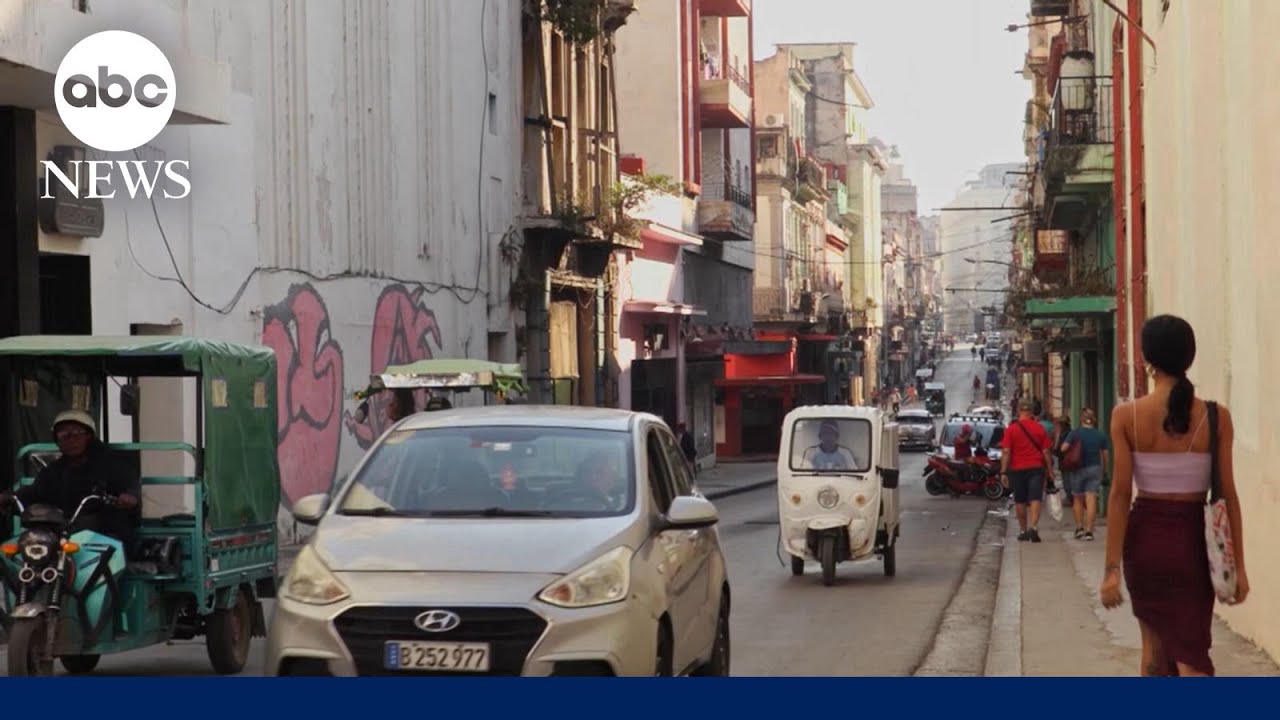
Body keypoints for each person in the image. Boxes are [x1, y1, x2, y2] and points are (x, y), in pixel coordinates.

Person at [1100, 315, 1249, 677]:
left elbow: (1119, 495)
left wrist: (1111, 570)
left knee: (1153, 653)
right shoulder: (1216, 417)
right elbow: (1228, 496)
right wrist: (1239, 568)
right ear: (1189, 357)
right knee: (1191, 653)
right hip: (1191, 543)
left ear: (1147, 359)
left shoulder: (1126, 416)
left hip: (1144, 542)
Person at [0, 410, 141, 544]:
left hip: (102, 531)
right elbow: (36, 491)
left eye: (77, 434)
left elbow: (130, 484)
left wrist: (129, 497)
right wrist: (11, 497)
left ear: (89, 436)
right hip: (61, 531)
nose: (71, 440)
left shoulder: (111, 463)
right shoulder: (53, 470)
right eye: (64, 435)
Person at [1000, 399, 1052, 543]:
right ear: (1031, 412)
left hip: (1017, 469)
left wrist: (1003, 471)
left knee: (1020, 500)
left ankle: (1023, 530)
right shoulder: (1039, 428)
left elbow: (1006, 451)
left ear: (1018, 412)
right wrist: (1049, 469)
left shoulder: (1011, 429)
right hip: (1036, 468)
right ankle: (1033, 527)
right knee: (1035, 498)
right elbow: (1046, 451)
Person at [1062, 408, 1108, 541]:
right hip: (1094, 468)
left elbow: (1063, 448)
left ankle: (1079, 528)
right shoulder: (1100, 435)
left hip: (1077, 469)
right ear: (1094, 420)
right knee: (1091, 498)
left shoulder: (1075, 433)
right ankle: (1089, 531)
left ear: (1081, 419)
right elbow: (1105, 455)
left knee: (1077, 498)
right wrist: (1104, 471)